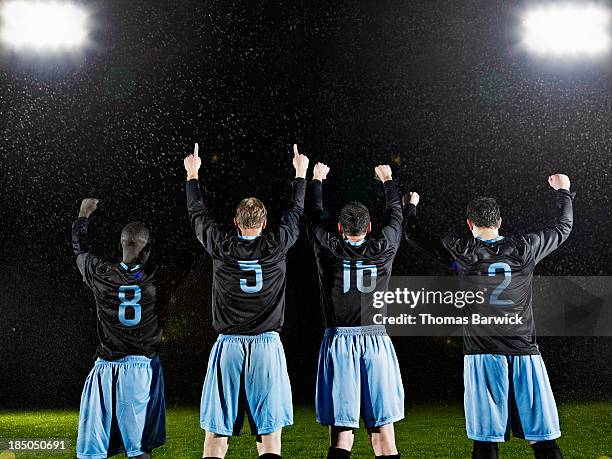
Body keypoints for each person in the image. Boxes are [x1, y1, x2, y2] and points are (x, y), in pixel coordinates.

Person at [403, 174, 574, 459]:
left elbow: (413, 234)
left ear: (470, 224)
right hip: (524, 353)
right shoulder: (524, 247)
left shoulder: (464, 251)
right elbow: (563, 227)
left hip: (483, 355)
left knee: (486, 442)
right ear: (500, 221)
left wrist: (411, 205)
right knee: (543, 440)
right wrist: (563, 191)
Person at [184, 143, 309, 459]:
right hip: (266, 346)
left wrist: (193, 173)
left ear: (236, 222)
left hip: (228, 346)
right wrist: (300, 173)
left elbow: (197, 213)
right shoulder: (277, 244)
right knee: (269, 437)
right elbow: (295, 211)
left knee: (216, 435)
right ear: (264, 224)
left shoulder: (221, 245)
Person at [306, 161, 405, 459]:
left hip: (340, 343)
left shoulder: (328, 246)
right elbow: (395, 216)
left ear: (339, 228)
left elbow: (312, 218)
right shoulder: (384, 245)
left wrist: (317, 180)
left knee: (341, 438)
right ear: (370, 228)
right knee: (385, 439)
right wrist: (387, 180)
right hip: (376, 342)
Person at [72, 199, 166, 459]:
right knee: (139, 451)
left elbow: (79, 249)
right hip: (139, 371)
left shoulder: (101, 274)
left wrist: (83, 215)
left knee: (92, 452)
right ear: (146, 251)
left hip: (104, 369)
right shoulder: (155, 279)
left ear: (121, 245)